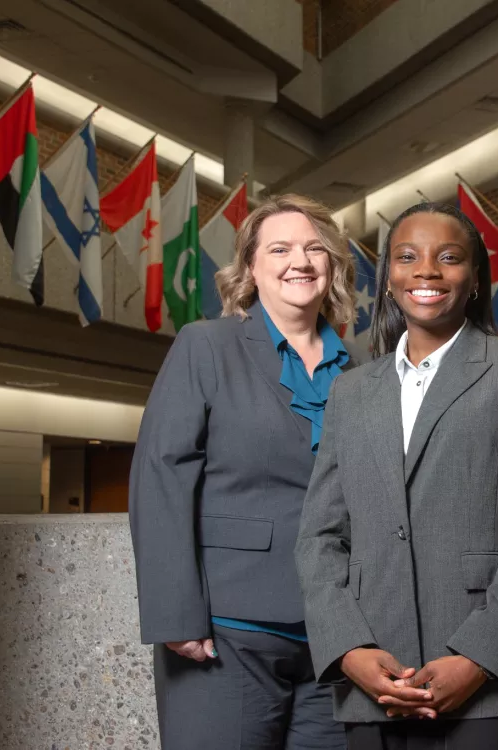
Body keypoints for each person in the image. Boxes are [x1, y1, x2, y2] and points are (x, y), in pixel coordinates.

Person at [297, 202, 498, 750]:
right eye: (407, 257)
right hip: (375, 672)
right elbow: (320, 536)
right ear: (389, 279)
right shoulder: (352, 390)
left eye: (448, 257)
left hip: (487, 676)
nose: (426, 270)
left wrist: (479, 656)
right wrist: (348, 648)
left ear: (473, 280)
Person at [129, 194, 364, 750]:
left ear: (331, 264)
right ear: (251, 267)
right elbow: (162, 476)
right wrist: (174, 614)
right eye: (279, 248)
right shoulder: (206, 345)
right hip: (228, 626)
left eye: (314, 249)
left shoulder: (363, 366)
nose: (299, 262)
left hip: (339, 631)